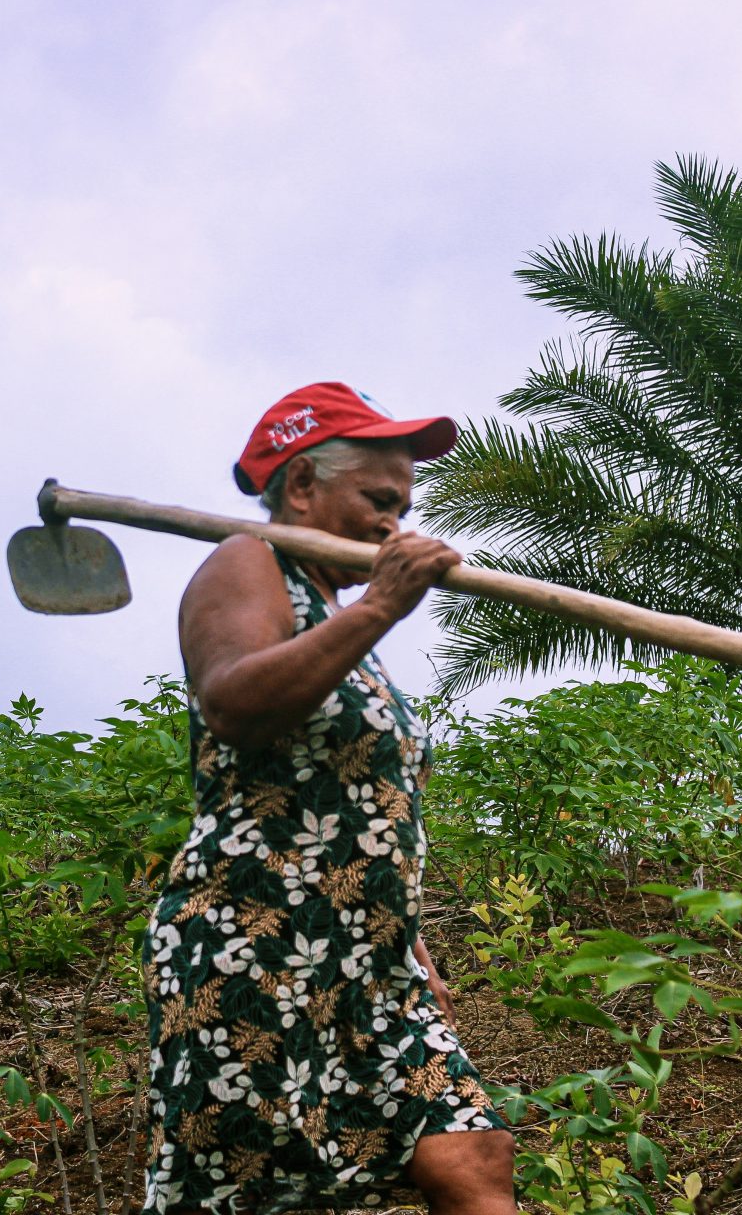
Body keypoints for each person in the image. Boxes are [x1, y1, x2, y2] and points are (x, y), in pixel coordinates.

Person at [141, 383, 516, 1215]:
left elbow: (362, 808)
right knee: (252, 1196)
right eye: (378, 500)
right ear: (303, 485)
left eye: (404, 506)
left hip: (370, 966)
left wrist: (405, 940)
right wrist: (384, 604)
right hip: (254, 941)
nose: (395, 522)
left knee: (474, 1154)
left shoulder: (337, 621)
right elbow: (236, 703)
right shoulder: (248, 562)